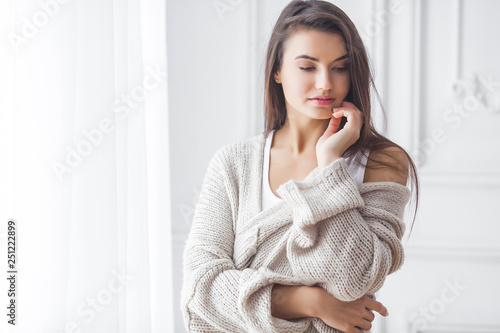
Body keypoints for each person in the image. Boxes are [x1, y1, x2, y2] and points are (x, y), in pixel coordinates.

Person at [180, 1, 420, 332]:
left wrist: (329, 167)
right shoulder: (234, 163)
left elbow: (353, 279)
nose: (325, 83)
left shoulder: (383, 161)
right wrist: (311, 302)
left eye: (340, 67)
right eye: (308, 67)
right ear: (277, 70)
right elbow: (200, 287)